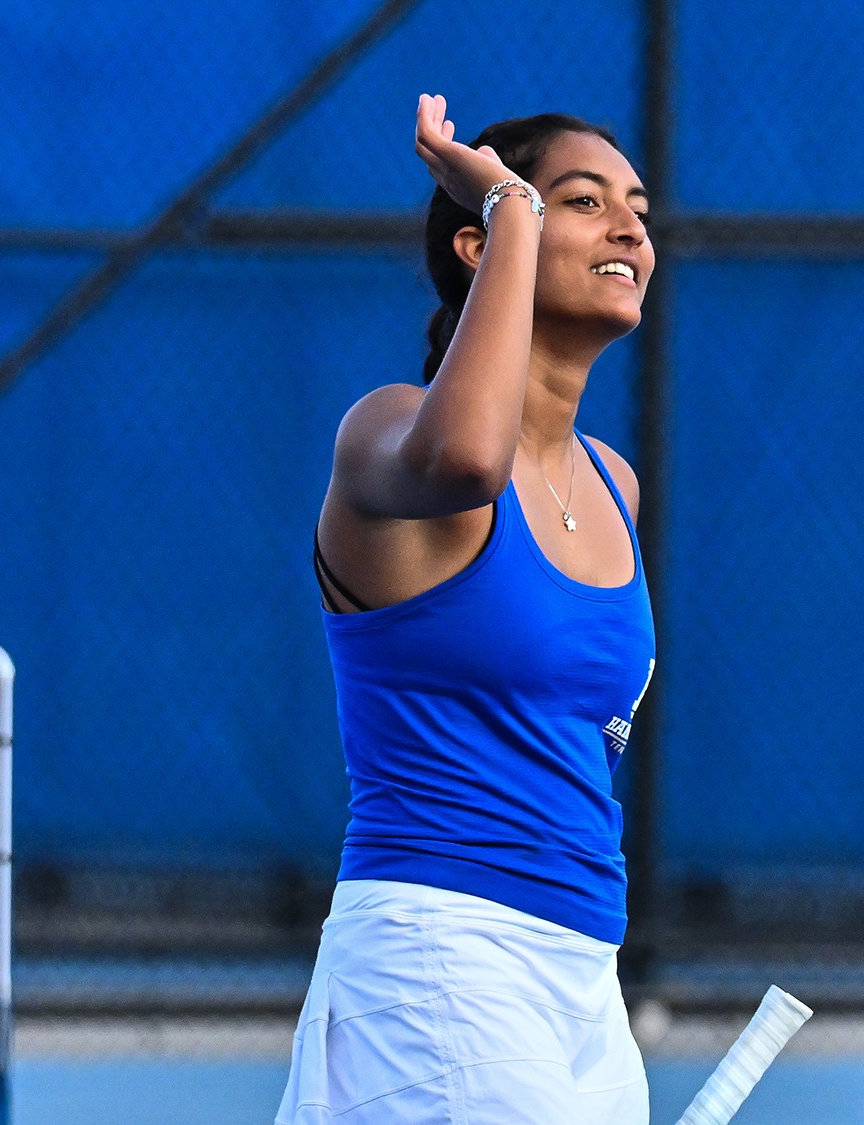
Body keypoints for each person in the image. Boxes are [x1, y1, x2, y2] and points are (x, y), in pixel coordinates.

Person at [278, 96, 656, 1124]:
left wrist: (520, 212)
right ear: (479, 241)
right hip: (437, 950)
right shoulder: (386, 429)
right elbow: (470, 458)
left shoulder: (614, 483)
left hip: (585, 968)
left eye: (638, 208)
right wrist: (508, 208)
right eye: (581, 202)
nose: (629, 227)